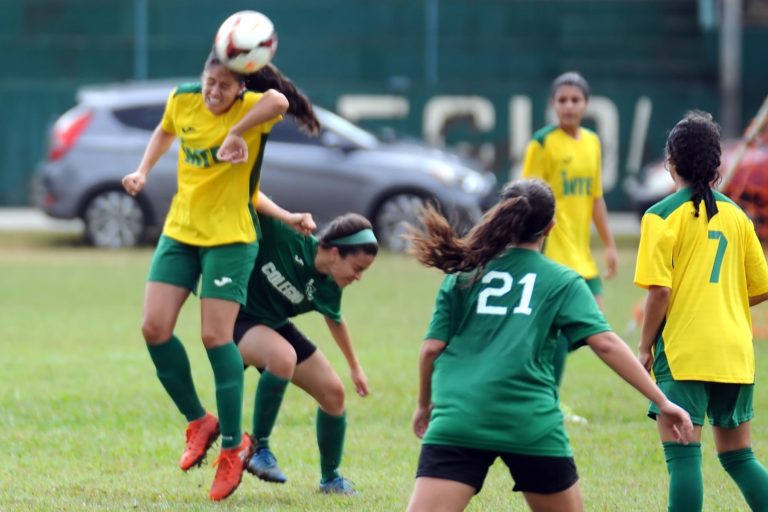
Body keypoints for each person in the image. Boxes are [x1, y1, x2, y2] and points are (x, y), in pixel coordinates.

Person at [405, 179, 693, 512]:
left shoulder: (462, 275)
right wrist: (662, 400)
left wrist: (424, 405)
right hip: (529, 420)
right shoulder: (563, 281)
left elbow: (430, 350)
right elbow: (608, 345)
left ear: (501, 216)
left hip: (459, 417)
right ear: (551, 226)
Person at [120, 52, 319, 501]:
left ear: (240, 90)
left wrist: (235, 131)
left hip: (230, 239)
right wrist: (143, 169)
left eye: (225, 87)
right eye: (210, 82)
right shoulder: (183, 100)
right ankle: (200, 421)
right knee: (153, 328)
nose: (214, 92)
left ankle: (234, 447)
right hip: (181, 232)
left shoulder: (253, 110)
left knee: (215, 337)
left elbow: (279, 101)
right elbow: (165, 129)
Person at [635, 111, 768, 512]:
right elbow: (761, 288)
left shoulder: (659, 217)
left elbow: (659, 291)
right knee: (739, 456)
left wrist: (643, 348)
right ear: (717, 166)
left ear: (670, 162)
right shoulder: (737, 217)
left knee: (683, 457)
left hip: (685, 353)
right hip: (735, 354)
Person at [233, 206, 377, 495]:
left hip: (273, 325)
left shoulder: (331, 285)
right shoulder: (287, 236)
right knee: (282, 356)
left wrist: (355, 367)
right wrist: (287, 216)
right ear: (335, 252)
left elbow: (335, 319)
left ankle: (331, 479)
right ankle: (258, 450)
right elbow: (250, 196)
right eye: (357, 268)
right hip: (234, 318)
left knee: (334, 393)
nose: (358, 277)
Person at [522, 71, 618, 387]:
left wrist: (610, 245)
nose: (568, 106)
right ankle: (548, 398)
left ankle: (539, 374)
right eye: (562, 100)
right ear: (553, 104)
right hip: (553, 249)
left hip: (582, 254)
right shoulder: (542, 143)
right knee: (569, 328)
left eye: (575, 100)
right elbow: (526, 199)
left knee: (593, 322)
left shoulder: (592, 142)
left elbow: (596, 198)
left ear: (586, 104)